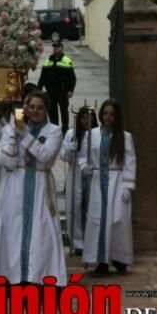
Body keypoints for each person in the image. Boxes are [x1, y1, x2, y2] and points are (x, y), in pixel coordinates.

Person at [0, 91, 66, 289]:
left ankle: (40, 277)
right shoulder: (12, 128)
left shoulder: (54, 131)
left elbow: (45, 156)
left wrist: (24, 135)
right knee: (13, 230)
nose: (35, 111)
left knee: (41, 232)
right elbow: (6, 160)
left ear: (46, 110)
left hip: (40, 184)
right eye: (31, 107)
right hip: (15, 184)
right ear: (25, 109)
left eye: (40, 107)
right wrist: (12, 134)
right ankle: (13, 277)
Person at [81, 99, 136, 275]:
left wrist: (128, 186)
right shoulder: (92, 135)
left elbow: (130, 161)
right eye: (105, 113)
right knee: (98, 221)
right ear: (101, 114)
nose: (108, 117)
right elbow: (84, 157)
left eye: (112, 114)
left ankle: (119, 259)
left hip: (117, 181)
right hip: (98, 181)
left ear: (116, 116)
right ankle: (101, 262)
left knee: (118, 221)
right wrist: (85, 167)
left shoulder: (125, 137)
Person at [61, 106, 99, 257]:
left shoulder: (97, 134)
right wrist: (70, 148)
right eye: (83, 118)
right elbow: (63, 156)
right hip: (76, 172)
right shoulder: (71, 133)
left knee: (90, 206)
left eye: (89, 118)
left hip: (91, 173)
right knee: (75, 206)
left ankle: (91, 240)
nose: (86, 121)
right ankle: (77, 242)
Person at [37, 42, 76, 132]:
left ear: (61, 48)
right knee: (52, 111)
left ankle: (65, 129)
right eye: (54, 47)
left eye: (57, 47)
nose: (55, 49)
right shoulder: (48, 60)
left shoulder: (66, 60)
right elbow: (42, 76)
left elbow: (72, 78)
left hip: (62, 90)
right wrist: (38, 90)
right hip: (50, 90)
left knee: (63, 110)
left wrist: (70, 90)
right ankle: (55, 129)